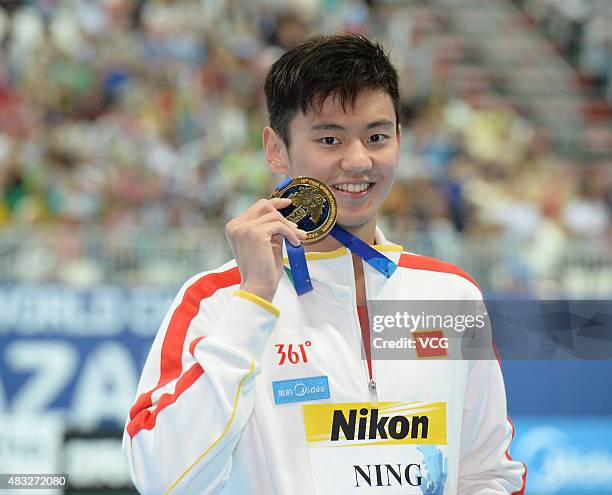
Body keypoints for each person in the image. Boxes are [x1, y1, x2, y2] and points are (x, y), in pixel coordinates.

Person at [123, 34, 527, 494]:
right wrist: (255, 297)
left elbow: (486, 473)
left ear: (400, 138)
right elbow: (159, 476)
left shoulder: (449, 296)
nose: (358, 161)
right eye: (330, 139)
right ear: (276, 148)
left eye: (376, 136)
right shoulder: (217, 301)